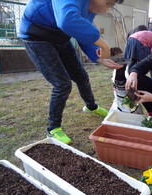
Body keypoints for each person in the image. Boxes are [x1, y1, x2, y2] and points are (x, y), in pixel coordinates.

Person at [20, 0, 124, 144]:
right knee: (62, 84)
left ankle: (91, 107)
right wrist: (103, 43)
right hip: (36, 36)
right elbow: (67, 20)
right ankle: (53, 127)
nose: (106, 10)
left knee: (81, 76)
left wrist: (99, 58)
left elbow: (82, 33)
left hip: (60, 37)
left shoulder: (90, 9)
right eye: (108, 3)